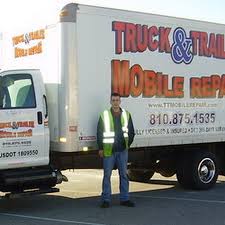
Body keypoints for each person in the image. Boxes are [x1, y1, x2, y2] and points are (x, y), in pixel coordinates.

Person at [97, 92, 135, 208]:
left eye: (117, 100)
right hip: (109, 151)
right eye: (113, 100)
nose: (115, 102)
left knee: (123, 175)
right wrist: (100, 148)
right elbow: (99, 132)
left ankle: (125, 199)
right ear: (110, 101)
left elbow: (131, 132)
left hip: (122, 151)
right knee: (107, 176)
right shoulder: (104, 115)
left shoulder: (126, 114)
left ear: (120, 101)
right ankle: (106, 200)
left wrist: (127, 145)